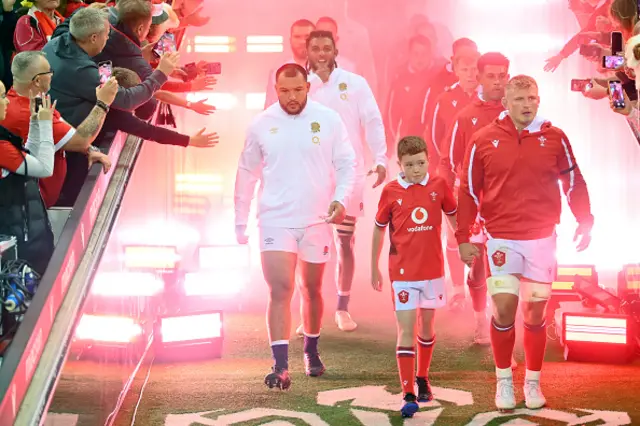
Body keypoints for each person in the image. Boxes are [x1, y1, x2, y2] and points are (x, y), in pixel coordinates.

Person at [456, 75, 593, 411]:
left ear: (538, 99)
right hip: (501, 239)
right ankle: (504, 382)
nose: (527, 104)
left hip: (541, 241)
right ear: (506, 102)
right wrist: (463, 236)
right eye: (519, 99)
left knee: (534, 314)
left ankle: (532, 383)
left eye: (532, 98)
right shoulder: (483, 139)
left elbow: (573, 179)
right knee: (503, 309)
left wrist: (585, 219)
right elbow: (468, 191)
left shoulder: (554, 137)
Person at [234, 63, 356, 389]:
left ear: (308, 87)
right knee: (280, 290)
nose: (291, 96)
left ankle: (312, 351)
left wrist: (341, 199)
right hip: (275, 218)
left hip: (317, 219)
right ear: (276, 90)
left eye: (297, 90)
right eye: (284, 91)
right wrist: (239, 219)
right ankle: (280, 366)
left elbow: (347, 163)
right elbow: (246, 173)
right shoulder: (261, 124)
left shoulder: (328, 119)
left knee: (312, 289)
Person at [295, 30, 386, 333]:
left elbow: (372, 120)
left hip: (348, 174)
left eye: (327, 48)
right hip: (309, 176)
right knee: (307, 243)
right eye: (315, 49)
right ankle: (306, 310)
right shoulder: (299, 86)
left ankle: (342, 308)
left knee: (343, 241)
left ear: (336, 51)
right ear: (306, 52)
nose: (321, 54)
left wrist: (381, 158)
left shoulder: (355, 84)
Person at [42, 7, 178, 205]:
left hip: (59, 132)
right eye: (107, 34)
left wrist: (98, 10)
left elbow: (72, 21)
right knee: (70, 195)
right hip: (68, 148)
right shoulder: (83, 71)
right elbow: (127, 100)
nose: (109, 39)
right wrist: (161, 74)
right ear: (94, 37)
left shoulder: (57, 42)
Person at [371, 136, 456, 418]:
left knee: (427, 326)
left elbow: (455, 218)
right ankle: (407, 392)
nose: (416, 169)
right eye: (410, 164)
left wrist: (465, 245)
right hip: (402, 274)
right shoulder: (390, 191)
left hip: (433, 272)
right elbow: (379, 228)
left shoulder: (439, 185)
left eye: (421, 162)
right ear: (400, 165)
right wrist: (374, 266)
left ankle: (422, 377)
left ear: (428, 160)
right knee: (406, 329)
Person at [439, 52, 510, 347]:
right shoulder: (465, 117)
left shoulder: (518, 112)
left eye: (502, 75)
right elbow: (447, 161)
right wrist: (451, 205)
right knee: (479, 267)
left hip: (511, 206)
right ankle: (480, 317)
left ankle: (501, 325)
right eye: (490, 76)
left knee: (505, 267)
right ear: (479, 79)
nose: (497, 81)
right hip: (477, 206)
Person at [5, 50, 113, 208]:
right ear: (37, 81)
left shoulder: (33, 99)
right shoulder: (26, 113)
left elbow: (68, 131)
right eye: (49, 71)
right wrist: (103, 103)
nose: (52, 75)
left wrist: (89, 149)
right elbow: (81, 139)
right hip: (33, 207)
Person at [425, 48, 479, 311]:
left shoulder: (492, 98)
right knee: (454, 234)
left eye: (474, 69)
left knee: (483, 235)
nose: (471, 74)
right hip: (454, 179)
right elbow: (435, 138)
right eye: (465, 69)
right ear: (455, 70)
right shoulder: (445, 99)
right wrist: (444, 169)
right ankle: (457, 289)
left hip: (486, 182)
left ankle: (482, 287)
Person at [0, 84, 55, 275]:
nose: (6, 101)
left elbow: (27, 160)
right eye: (1, 96)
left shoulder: (3, 138)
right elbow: (45, 168)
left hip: (23, 225)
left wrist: (35, 123)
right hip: (17, 231)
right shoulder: (1, 147)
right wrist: (47, 125)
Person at [263, 19, 315, 109]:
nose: (302, 41)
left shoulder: (332, 73)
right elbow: (270, 109)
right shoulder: (277, 73)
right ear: (290, 40)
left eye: (307, 37)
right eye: (297, 37)